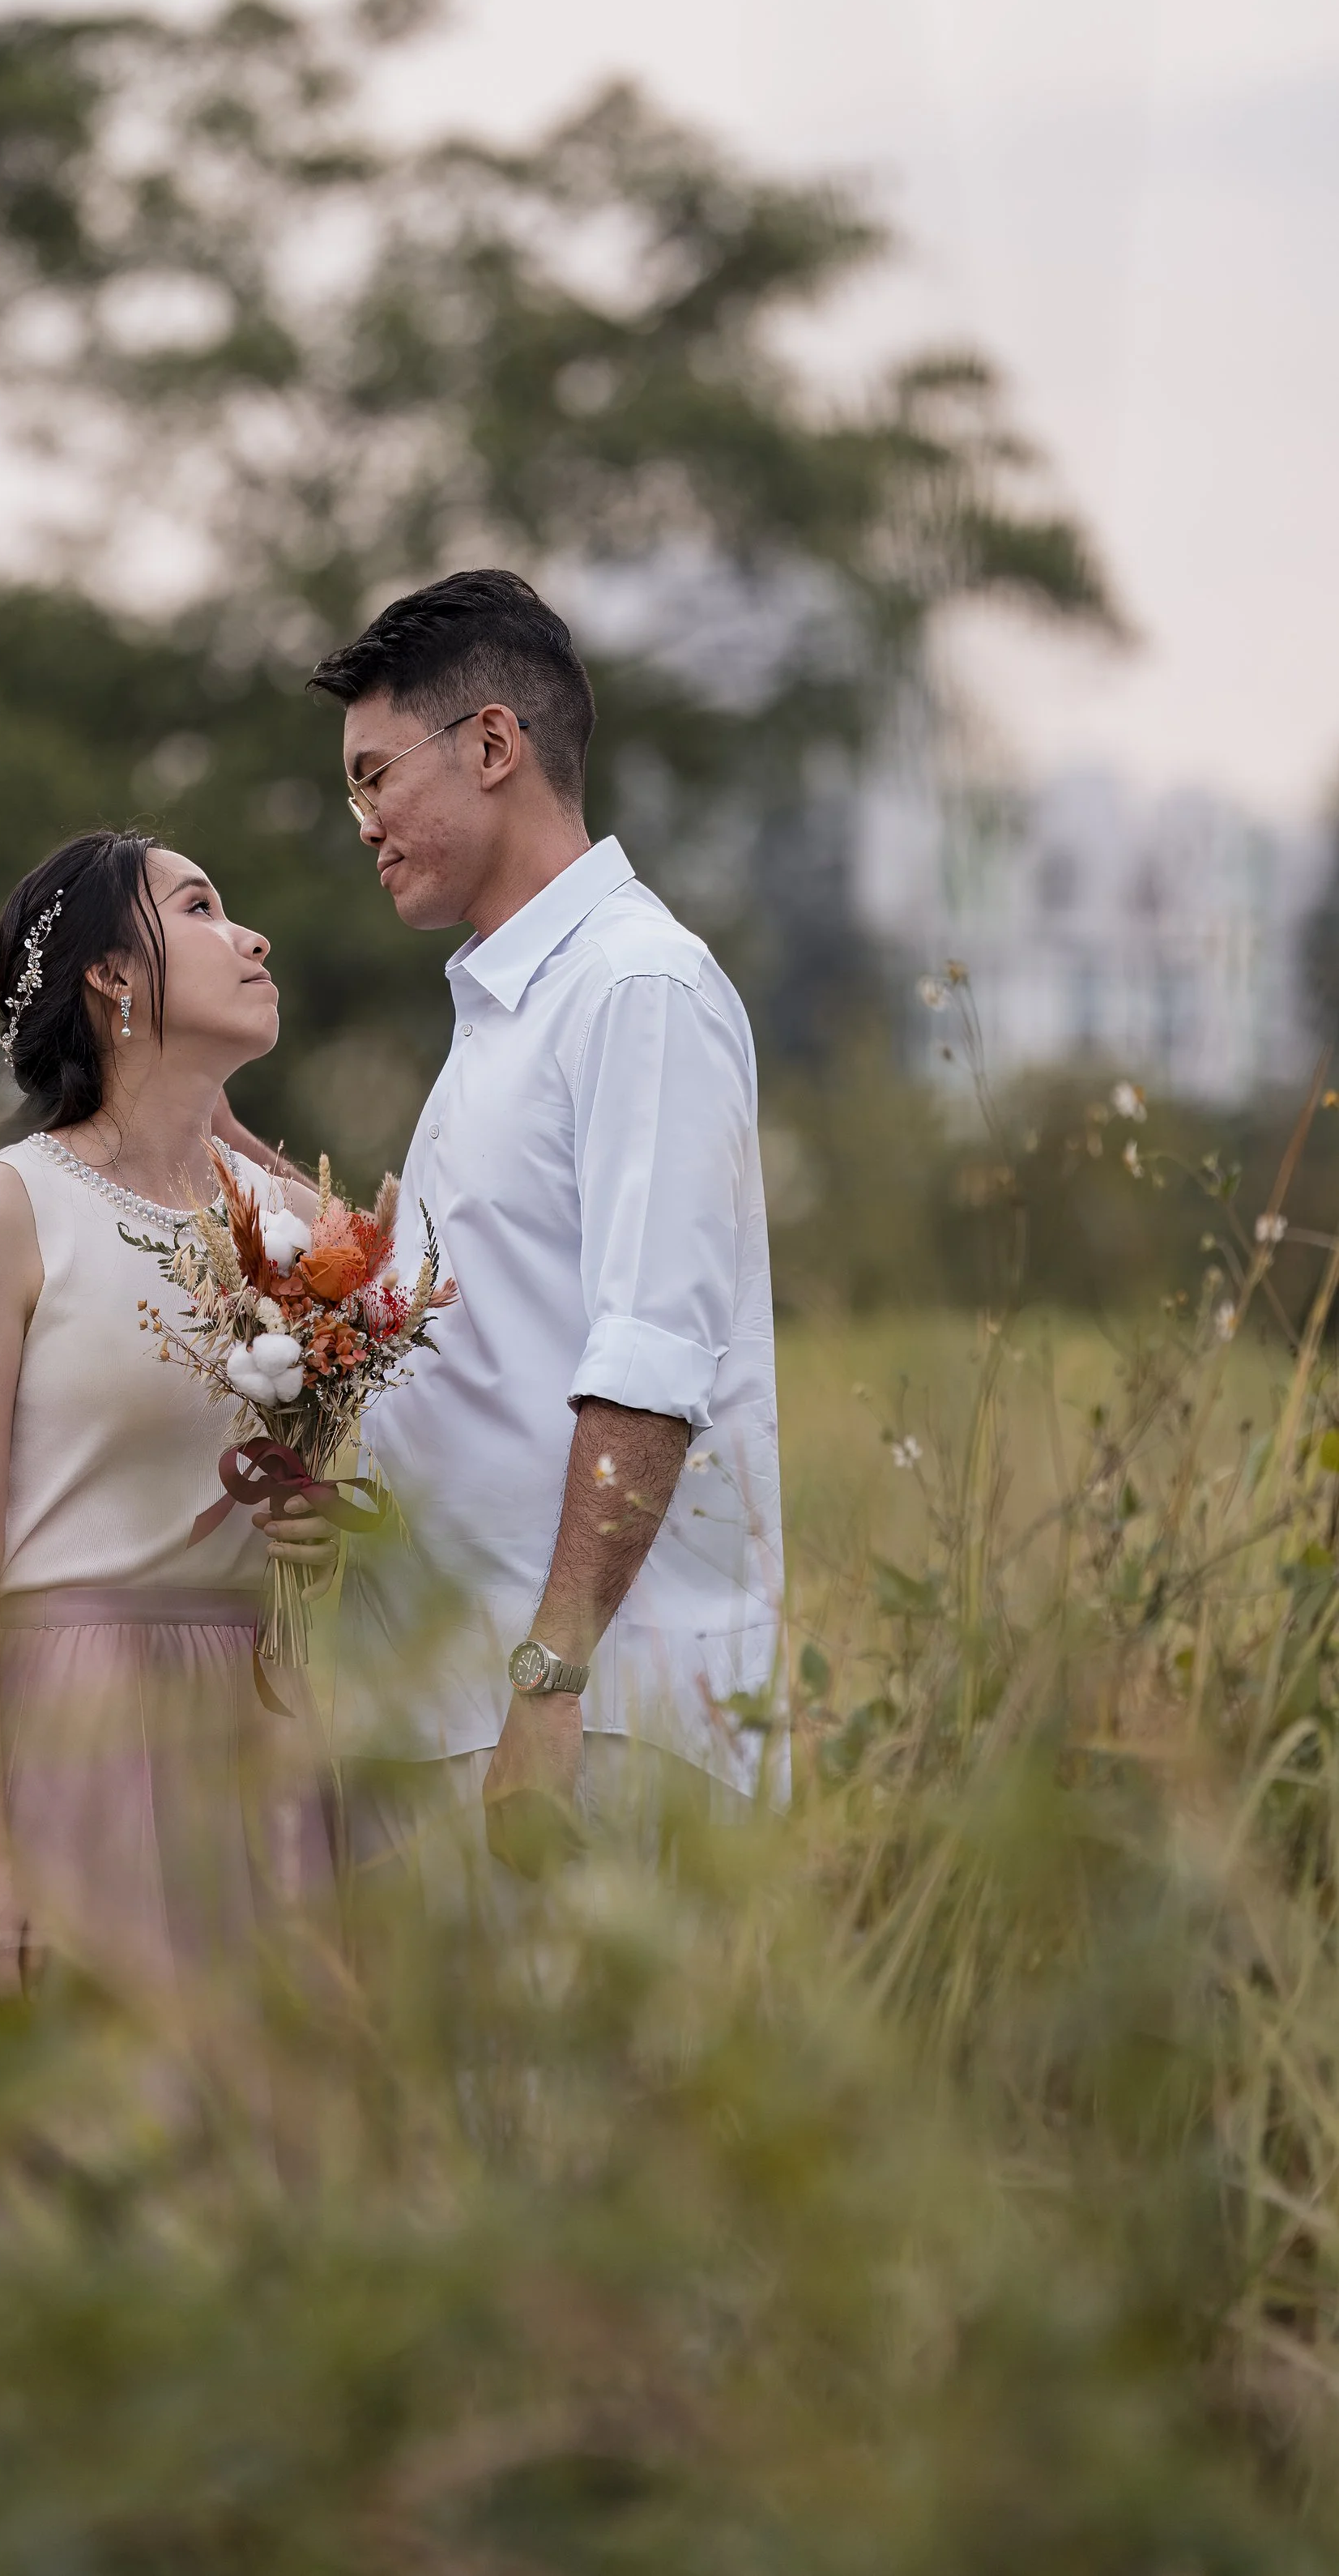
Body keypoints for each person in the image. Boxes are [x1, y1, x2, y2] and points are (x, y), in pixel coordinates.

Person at [0, 831, 330, 2159]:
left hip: (253, 1734)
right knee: (52, 2166)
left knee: (252, 2173)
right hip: (61, 1737)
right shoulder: (5, 1211)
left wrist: (332, 1524)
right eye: (204, 908)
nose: (252, 934)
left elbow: (374, 1451)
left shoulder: (292, 1228)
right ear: (112, 973)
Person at [254, 570, 784, 1874]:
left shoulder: (635, 987)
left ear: (493, 744)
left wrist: (547, 1682)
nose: (363, 821)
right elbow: (488, 1365)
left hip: (590, 1720)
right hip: (453, 1705)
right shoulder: (503, 1015)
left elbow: (651, 1365)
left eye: (375, 775)